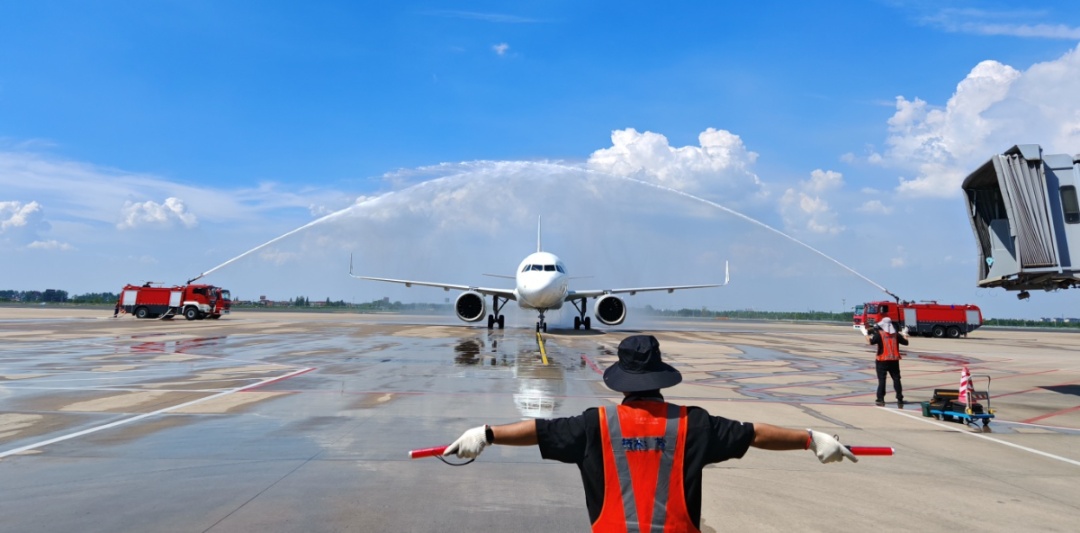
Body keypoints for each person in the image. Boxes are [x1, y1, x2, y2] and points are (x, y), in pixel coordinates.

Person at [442, 334, 857, 532]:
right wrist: (811, 438)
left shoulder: (594, 425)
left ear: (620, 383)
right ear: (662, 378)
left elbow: (538, 430)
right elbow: (755, 434)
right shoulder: (695, 423)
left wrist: (487, 434)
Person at [865, 317, 908, 407]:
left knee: (882, 380)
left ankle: (881, 398)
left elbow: (870, 342)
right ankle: (899, 398)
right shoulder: (896, 335)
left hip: (882, 360)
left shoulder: (879, 334)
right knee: (896, 379)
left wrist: (865, 334)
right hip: (894, 360)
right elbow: (906, 342)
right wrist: (905, 333)